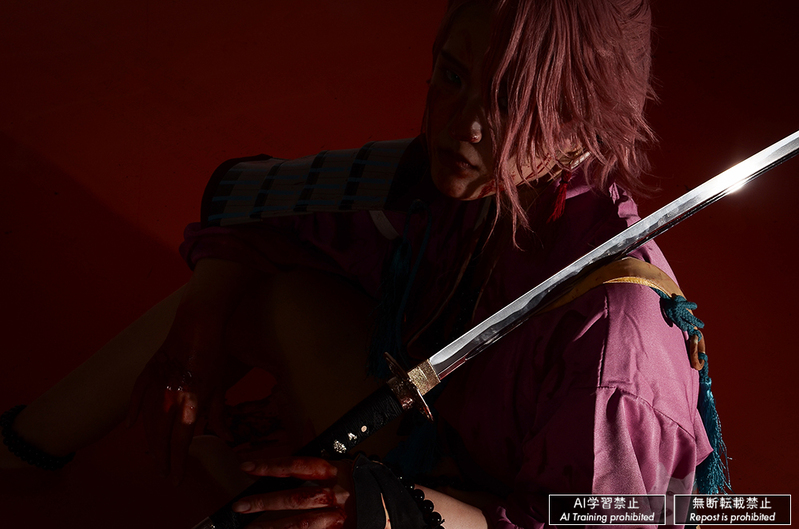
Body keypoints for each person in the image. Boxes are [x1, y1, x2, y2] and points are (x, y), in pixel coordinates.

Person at [0, 0, 718, 527]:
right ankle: (21, 447)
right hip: (437, 448)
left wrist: (392, 510)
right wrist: (197, 330)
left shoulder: (617, 341)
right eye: (453, 76)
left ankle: (240, 479)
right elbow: (257, 209)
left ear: (583, 122)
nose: (465, 126)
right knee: (266, 297)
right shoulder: (452, 180)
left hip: (491, 516)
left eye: (509, 102)